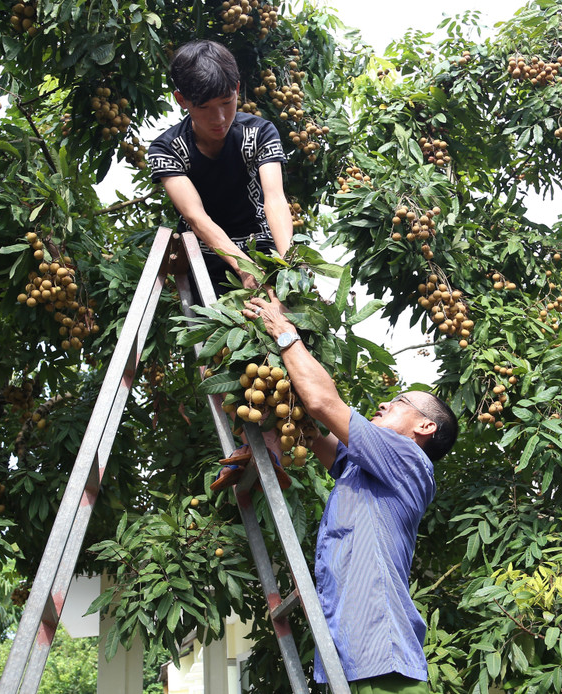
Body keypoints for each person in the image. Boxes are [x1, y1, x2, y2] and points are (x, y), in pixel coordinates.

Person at [236, 289, 459, 694]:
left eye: (399, 402)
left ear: (424, 427)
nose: (383, 405)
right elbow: (310, 431)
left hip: (383, 658)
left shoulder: (409, 460)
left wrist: (285, 333)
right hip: (350, 656)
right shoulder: (364, 465)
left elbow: (323, 402)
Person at [147, 40, 293, 296]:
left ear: (237, 89)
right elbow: (195, 217)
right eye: (204, 108)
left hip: (263, 249)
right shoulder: (167, 149)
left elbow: (275, 199)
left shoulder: (260, 132)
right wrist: (243, 267)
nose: (219, 118)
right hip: (205, 260)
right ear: (181, 100)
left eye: (227, 102)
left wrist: (290, 262)